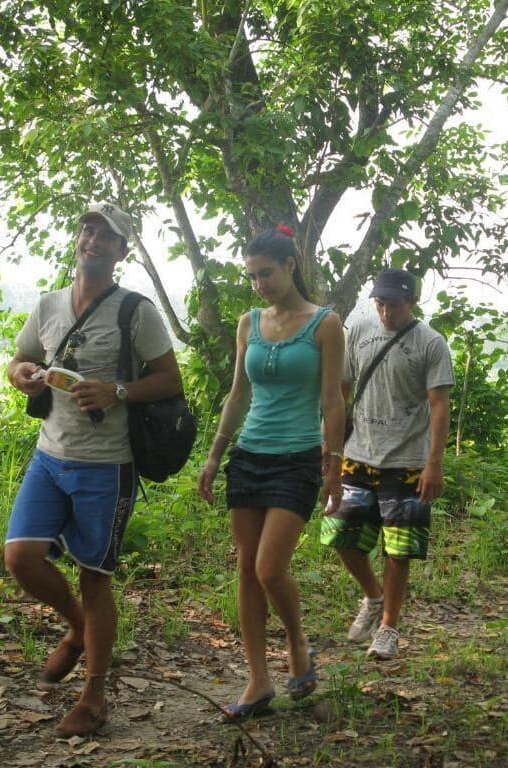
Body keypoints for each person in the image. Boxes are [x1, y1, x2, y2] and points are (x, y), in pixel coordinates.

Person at [5, 201, 182, 737]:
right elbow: (16, 362)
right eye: (88, 230)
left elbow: (171, 380)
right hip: (49, 456)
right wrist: (26, 376)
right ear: (78, 240)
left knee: (94, 577)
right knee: (20, 558)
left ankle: (95, 694)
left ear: (122, 252)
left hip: (108, 466)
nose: (94, 240)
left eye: (107, 236)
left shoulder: (136, 311)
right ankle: (78, 627)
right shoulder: (49, 304)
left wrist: (117, 390)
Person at [197, 226, 344, 719]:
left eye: (267, 273)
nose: (259, 283)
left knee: (268, 567)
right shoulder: (248, 323)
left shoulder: (325, 324)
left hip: (298, 457)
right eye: (252, 276)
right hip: (249, 455)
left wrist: (335, 463)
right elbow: (238, 394)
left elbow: (332, 398)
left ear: (290, 266)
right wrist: (215, 454)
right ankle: (258, 680)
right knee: (245, 568)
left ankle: (297, 641)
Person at [320, 268, 453, 660]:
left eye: (393, 304)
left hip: (408, 461)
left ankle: (389, 628)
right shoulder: (359, 330)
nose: (386, 311)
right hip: (359, 454)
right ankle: (373, 596)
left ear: (411, 302)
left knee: (399, 550)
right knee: (339, 532)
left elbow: (439, 405)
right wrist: (330, 444)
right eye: (380, 302)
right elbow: (341, 391)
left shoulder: (431, 343)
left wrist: (435, 463)